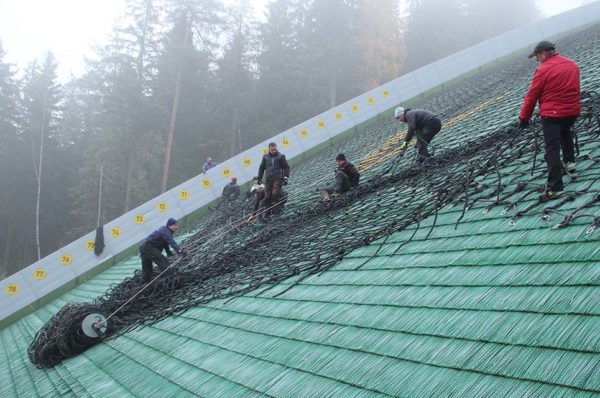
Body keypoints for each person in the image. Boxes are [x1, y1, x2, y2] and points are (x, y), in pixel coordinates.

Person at [518, 40, 581, 200]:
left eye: (537, 57)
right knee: (566, 132)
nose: (537, 60)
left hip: (552, 115)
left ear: (543, 53)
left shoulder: (543, 70)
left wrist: (524, 118)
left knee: (552, 148)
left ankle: (556, 187)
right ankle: (570, 163)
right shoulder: (572, 64)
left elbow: (532, 96)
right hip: (572, 111)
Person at [139, 218, 185, 283]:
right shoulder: (166, 231)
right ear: (170, 226)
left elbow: (165, 243)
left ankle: (144, 283)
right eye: (175, 225)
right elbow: (171, 241)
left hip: (143, 248)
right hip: (148, 247)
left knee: (147, 270)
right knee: (163, 261)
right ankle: (171, 279)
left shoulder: (164, 230)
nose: (177, 227)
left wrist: (168, 252)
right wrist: (179, 250)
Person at [257, 142, 290, 215]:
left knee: (275, 194)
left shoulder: (281, 156)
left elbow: (286, 167)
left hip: (278, 178)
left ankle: (277, 213)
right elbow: (262, 167)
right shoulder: (265, 157)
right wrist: (259, 178)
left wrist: (286, 177)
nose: (274, 151)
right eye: (272, 150)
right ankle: (267, 213)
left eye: (275, 149)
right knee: (267, 197)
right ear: (269, 149)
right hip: (269, 179)